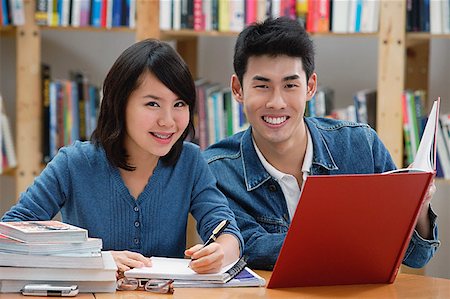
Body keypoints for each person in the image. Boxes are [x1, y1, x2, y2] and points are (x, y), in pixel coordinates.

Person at [203, 17, 440, 270]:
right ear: (238, 89)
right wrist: (354, 241)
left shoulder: (360, 144)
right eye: (262, 86)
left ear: (310, 87)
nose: (277, 102)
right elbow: (248, 247)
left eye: (290, 85)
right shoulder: (216, 170)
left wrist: (420, 203)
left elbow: (416, 256)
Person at [2, 39, 243, 274]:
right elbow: (8, 236)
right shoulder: (74, 162)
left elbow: (227, 230)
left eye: (179, 104)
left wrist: (221, 252)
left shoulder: (190, 161)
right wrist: (96, 259)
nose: (168, 121)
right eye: (152, 104)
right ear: (120, 104)